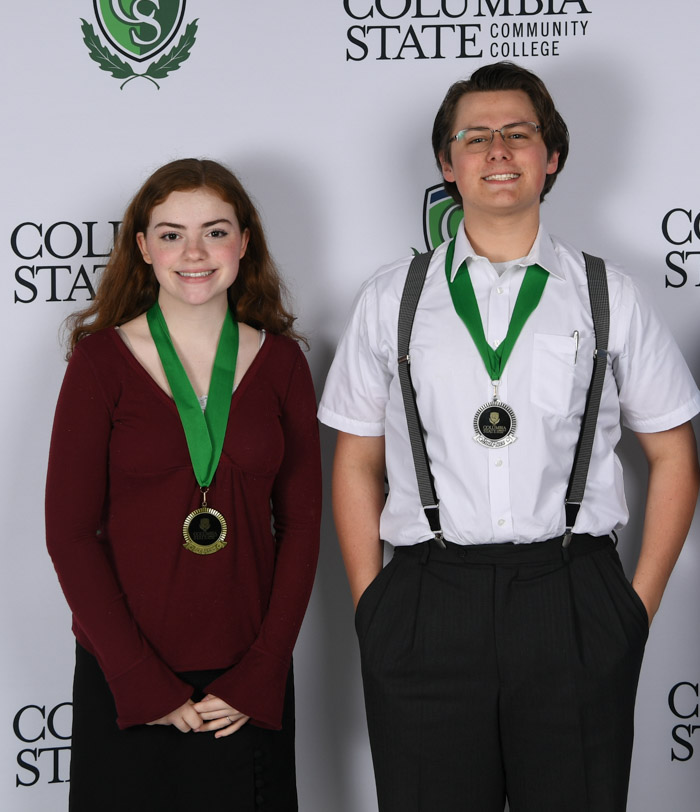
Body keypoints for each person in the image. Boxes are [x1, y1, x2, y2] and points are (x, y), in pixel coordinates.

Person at [318, 62, 700, 811]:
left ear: (549, 157)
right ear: (447, 163)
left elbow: (674, 455)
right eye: (476, 136)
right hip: (428, 600)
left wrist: (630, 612)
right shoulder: (392, 299)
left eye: (518, 133)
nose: (498, 150)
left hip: (572, 597)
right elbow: (358, 459)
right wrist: (375, 607)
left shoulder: (609, 294)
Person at [45, 158, 321, 811]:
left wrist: (263, 670)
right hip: (129, 680)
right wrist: (142, 681)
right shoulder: (99, 363)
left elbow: (304, 527)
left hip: (244, 685)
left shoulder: (282, 363)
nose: (193, 252)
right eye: (170, 234)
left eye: (214, 231)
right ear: (142, 247)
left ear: (244, 242)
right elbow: (70, 535)